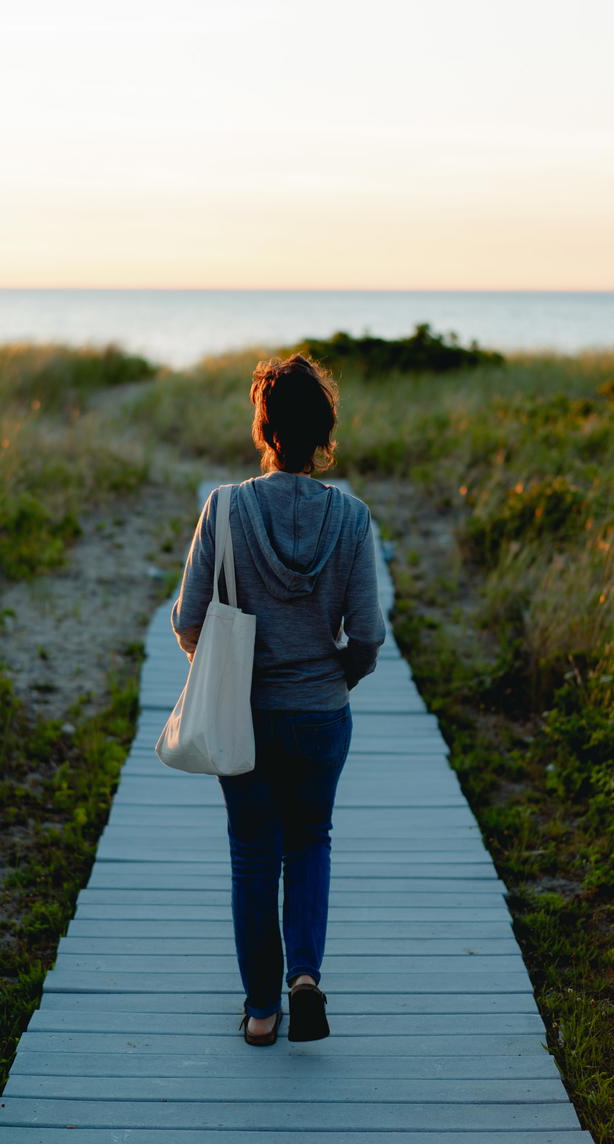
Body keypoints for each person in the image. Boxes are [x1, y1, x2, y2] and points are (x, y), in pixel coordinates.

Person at [171, 353, 386, 1045]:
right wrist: (338, 677)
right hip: (322, 713)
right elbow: (369, 633)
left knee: (253, 855)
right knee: (311, 841)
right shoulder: (351, 518)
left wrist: (221, 671)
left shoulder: (226, 508)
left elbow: (187, 618)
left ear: (265, 428)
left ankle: (261, 1012)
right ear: (324, 431)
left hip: (245, 718)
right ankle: (306, 978)